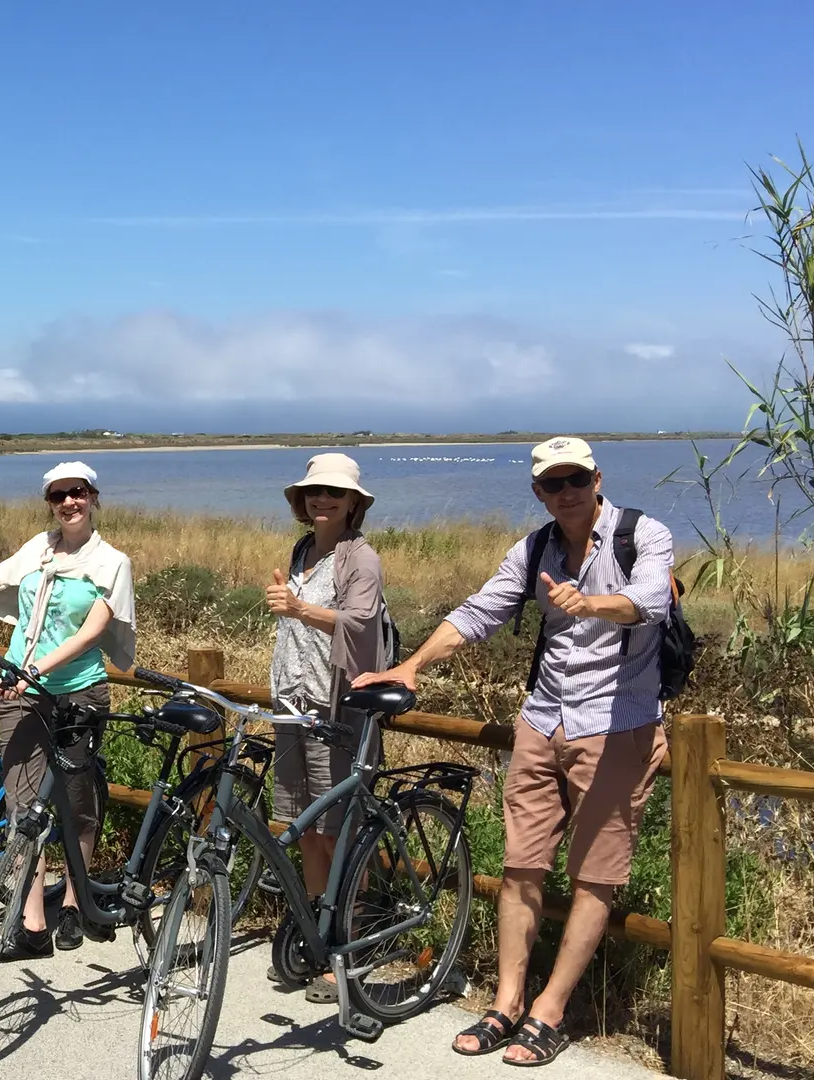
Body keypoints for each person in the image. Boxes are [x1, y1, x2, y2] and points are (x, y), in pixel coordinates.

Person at [354, 437, 673, 1067]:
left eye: (576, 479)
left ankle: (549, 1010)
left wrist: (591, 604)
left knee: (594, 875)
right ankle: (506, 1003)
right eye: (553, 483)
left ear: (597, 479)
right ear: (539, 492)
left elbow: (650, 601)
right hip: (541, 720)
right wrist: (411, 665)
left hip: (616, 725)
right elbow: (481, 611)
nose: (566, 492)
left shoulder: (642, 534)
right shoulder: (533, 549)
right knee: (521, 867)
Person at [0, 461, 136, 957]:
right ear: (49, 503)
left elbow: (93, 631)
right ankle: (33, 920)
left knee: (76, 802)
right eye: (58, 495)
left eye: (77, 492)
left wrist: (37, 667)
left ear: (93, 497)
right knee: (22, 804)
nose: (69, 502)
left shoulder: (112, 562)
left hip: (77, 691)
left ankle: (74, 902)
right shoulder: (37, 548)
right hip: (22, 688)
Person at [261, 453, 389, 1004]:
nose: (322, 499)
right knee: (307, 827)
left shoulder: (361, 558)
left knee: (340, 830)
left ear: (354, 502)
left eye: (334, 493)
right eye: (314, 491)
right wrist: (294, 610)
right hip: (292, 701)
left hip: (333, 708)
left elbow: (358, 622)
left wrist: (297, 608)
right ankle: (318, 932)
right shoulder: (303, 549)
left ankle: (349, 949)